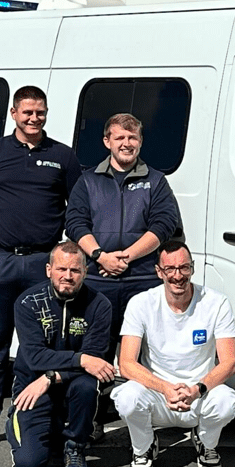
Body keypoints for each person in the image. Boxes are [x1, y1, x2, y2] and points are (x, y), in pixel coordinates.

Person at [0, 85, 82, 452]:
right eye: (27, 112)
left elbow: (77, 209)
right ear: (14, 113)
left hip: (43, 262)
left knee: (42, 345)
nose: (34, 118)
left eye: (40, 112)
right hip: (0, 261)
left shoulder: (62, 156)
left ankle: (38, 417)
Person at [112, 240, 235, 467]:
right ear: (159, 272)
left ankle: (206, 442)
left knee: (226, 402)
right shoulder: (141, 303)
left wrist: (197, 389)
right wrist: (165, 388)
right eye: (170, 269)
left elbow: (229, 362)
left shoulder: (216, 302)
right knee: (126, 397)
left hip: (199, 395)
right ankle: (144, 447)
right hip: (158, 395)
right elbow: (126, 364)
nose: (178, 276)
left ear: (193, 268)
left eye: (184, 267)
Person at [65, 112, 181, 360]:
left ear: (140, 141)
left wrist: (125, 257)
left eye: (132, 137)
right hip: (97, 282)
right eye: (120, 138)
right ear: (107, 141)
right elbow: (75, 223)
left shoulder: (156, 181)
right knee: (94, 356)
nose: (126, 143)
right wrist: (101, 256)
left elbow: (164, 225)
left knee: (144, 360)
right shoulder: (88, 181)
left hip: (142, 282)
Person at [6, 242, 116, 467]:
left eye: (75, 270)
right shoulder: (27, 303)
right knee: (29, 465)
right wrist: (80, 359)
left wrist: (51, 377)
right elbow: (35, 357)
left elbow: (95, 363)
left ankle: (75, 447)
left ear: (85, 272)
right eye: (61, 269)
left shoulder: (99, 305)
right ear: (49, 270)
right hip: (32, 387)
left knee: (87, 385)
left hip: (67, 385)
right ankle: (27, 421)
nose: (68, 276)